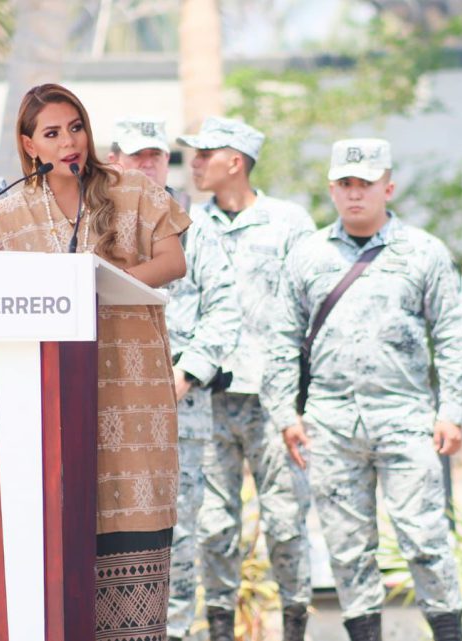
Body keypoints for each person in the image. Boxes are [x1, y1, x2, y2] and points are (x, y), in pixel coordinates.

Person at [0, 83, 190, 640]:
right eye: (53, 133)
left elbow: (173, 259)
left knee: (132, 545)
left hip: (132, 405)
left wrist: (97, 287)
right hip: (48, 410)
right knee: (59, 558)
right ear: (29, 144)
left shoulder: (131, 190)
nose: (69, 143)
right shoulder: (7, 211)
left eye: (76, 127)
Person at [263, 138, 462, 641]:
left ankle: (449, 632)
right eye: (345, 184)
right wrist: (284, 414)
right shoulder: (308, 254)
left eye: (365, 183)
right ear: (332, 189)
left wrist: (452, 410)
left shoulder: (422, 251)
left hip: (405, 418)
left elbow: (452, 334)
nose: (355, 194)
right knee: (347, 547)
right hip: (331, 423)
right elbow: (280, 338)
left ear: (389, 186)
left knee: (425, 539)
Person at [177, 117, 314, 641]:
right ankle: (218, 629)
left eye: (204, 154)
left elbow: (310, 307)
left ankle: (296, 626)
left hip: (274, 398)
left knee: (285, 524)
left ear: (235, 161)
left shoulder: (288, 222)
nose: (193, 164)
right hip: (209, 398)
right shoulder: (188, 224)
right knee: (214, 527)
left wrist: (300, 397)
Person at [107, 116, 243, 641]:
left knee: (178, 541)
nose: (146, 164)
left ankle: (178, 633)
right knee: (110, 539)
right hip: (108, 418)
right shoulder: (91, 226)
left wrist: (187, 374)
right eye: (135, 155)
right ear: (114, 160)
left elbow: (225, 310)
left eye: (156, 156)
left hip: (179, 417)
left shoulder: (197, 231)